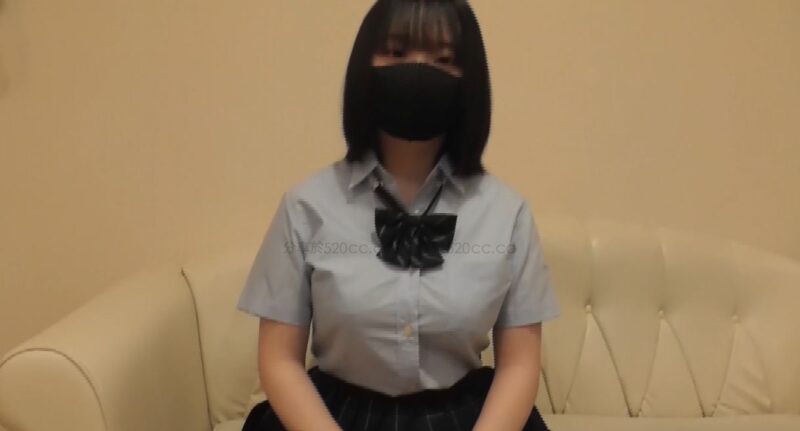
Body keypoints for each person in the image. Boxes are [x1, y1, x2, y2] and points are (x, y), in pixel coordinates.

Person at [237, 1, 560, 429]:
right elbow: (279, 361)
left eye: (443, 59)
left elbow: (519, 366)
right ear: (364, 66)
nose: (419, 71)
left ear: (470, 79)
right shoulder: (306, 207)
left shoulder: (507, 214)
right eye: (396, 51)